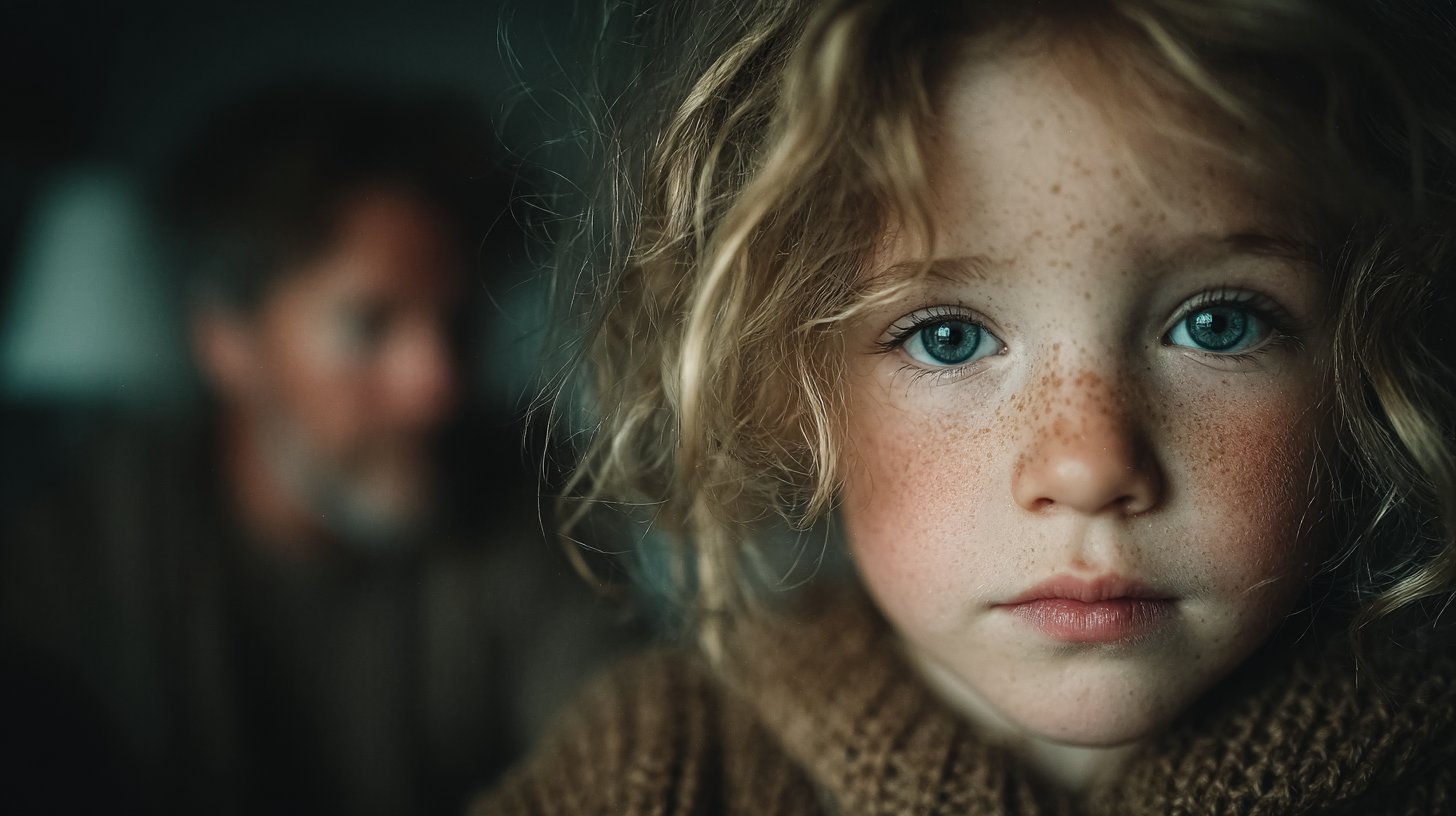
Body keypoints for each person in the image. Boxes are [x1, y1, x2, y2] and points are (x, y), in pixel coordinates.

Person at [474, 0, 1456, 812]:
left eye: (1219, 324)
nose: (1088, 464)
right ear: (786, 389)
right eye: (947, 336)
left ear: (1368, 361)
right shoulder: (647, 777)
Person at [1, 83, 635, 816]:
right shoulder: (86, 547)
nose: (438, 386)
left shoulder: (533, 494)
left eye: (457, 322)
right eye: (368, 326)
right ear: (226, 341)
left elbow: (617, 718)